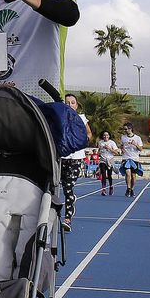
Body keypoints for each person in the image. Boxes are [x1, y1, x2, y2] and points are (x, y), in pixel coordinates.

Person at [59, 93, 88, 231]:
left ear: (77, 105)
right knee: (58, 187)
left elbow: (89, 134)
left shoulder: (81, 118)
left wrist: (79, 142)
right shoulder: (59, 117)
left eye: (72, 102)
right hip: (61, 157)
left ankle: (67, 219)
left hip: (76, 158)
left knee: (68, 188)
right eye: (67, 103)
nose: (70, 105)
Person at [119, 125, 143, 199]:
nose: (125, 130)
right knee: (127, 173)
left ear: (130, 129)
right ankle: (128, 188)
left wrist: (135, 144)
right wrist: (122, 149)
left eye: (126, 129)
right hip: (126, 158)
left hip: (134, 158)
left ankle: (132, 189)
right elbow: (121, 146)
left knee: (133, 176)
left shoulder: (137, 138)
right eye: (124, 129)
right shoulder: (123, 137)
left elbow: (141, 149)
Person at [96, 129, 120, 196]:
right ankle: (103, 189)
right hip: (103, 160)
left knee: (109, 175)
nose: (105, 136)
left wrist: (109, 148)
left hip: (110, 160)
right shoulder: (100, 142)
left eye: (107, 135)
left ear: (109, 136)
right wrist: (99, 152)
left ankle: (111, 186)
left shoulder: (112, 143)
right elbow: (98, 152)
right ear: (102, 136)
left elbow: (116, 152)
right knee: (103, 174)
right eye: (104, 135)